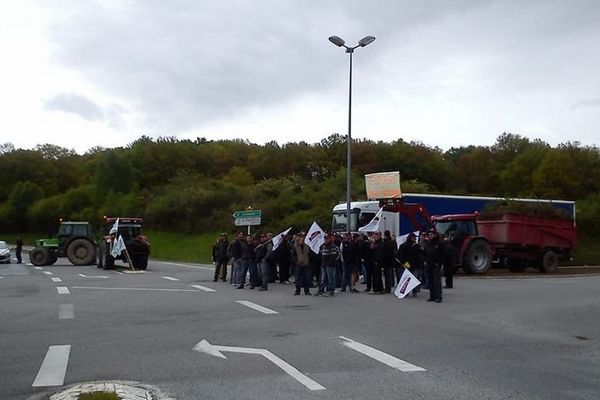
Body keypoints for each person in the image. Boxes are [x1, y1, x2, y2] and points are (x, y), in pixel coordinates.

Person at [397, 232, 424, 297]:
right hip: (407, 264)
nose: (414, 239)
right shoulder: (404, 246)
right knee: (407, 279)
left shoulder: (417, 246)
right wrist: (404, 263)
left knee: (414, 279)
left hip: (415, 265)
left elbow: (420, 256)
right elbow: (400, 256)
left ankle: (414, 291)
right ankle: (406, 291)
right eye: (413, 238)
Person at [423, 228, 444, 303]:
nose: (430, 236)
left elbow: (442, 254)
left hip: (436, 264)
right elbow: (425, 252)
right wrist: (425, 260)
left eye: (431, 234)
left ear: (435, 235)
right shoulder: (428, 243)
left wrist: (439, 263)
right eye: (429, 235)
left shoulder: (439, 243)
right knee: (431, 281)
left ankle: (438, 297)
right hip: (429, 264)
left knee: (436, 281)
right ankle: (432, 296)